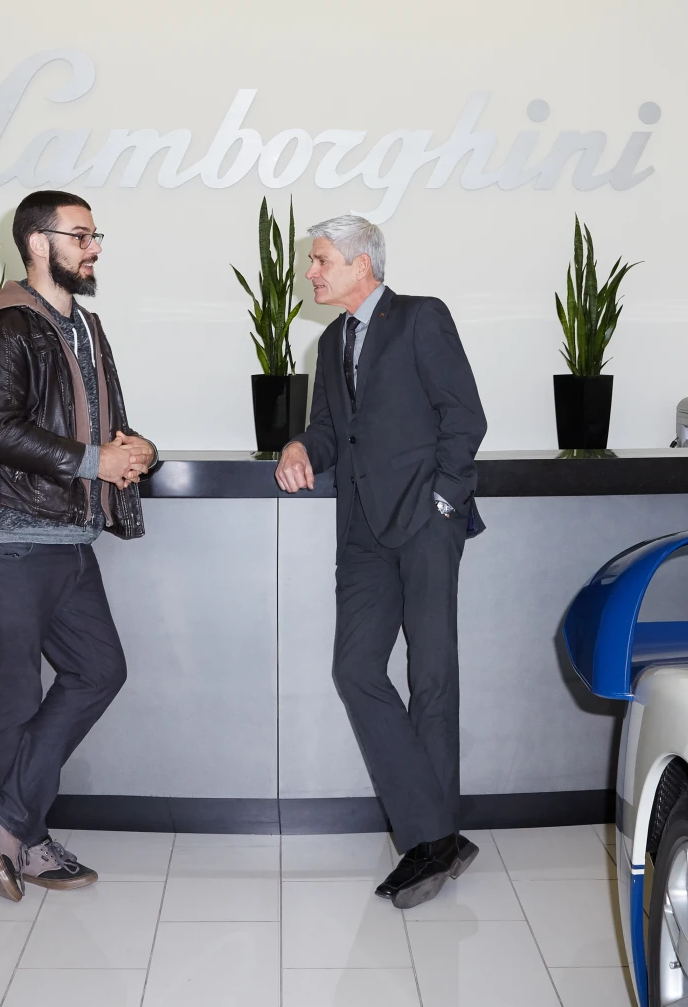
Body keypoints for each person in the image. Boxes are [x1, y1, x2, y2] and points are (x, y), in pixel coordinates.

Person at [275, 214, 487, 909]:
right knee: (356, 669)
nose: (311, 272)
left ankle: (429, 842)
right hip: (362, 532)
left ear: (361, 265)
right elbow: (330, 431)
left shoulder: (422, 318)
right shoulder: (330, 340)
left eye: (321, 260)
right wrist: (300, 447)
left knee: (432, 678)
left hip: (425, 524)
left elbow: (464, 416)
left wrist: (444, 503)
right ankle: (437, 834)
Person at [0, 189, 156, 902]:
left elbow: (102, 421)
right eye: (81, 235)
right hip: (11, 540)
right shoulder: (4, 325)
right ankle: (28, 839)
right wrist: (94, 461)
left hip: (72, 537)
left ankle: (8, 816)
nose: (93, 247)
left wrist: (137, 449)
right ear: (38, 243)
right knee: (13, 697)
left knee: (99, 671)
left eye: (95, 236)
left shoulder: (84, 327)